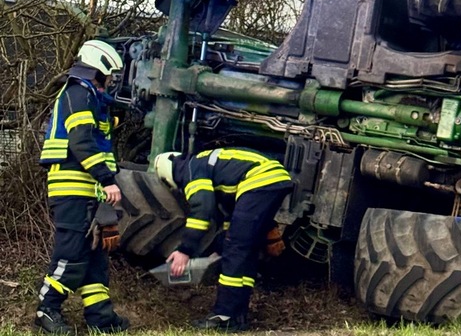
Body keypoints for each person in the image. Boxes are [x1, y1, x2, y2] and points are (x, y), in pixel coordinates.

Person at [35, 40, 130, 334]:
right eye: (110, 75)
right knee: (72, 252)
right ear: (98, 67)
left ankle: (99, 317)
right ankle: (46, 309)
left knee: (95, 255)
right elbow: (81, 142)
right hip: (72, 187)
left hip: (85, 188)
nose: (111, 81)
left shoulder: (89, 96)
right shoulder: (78, 93)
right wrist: (107, 179)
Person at [153, 147, 292, 332]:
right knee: (244, 251)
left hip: (259, 181)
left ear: (166, 176)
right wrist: (222, 246)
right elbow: (231, 216)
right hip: (274, 179)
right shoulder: (204, 164)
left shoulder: (190, 170)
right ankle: (238, 316)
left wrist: (184, 251)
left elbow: (202, 210)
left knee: (236, 250)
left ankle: (224, 316)